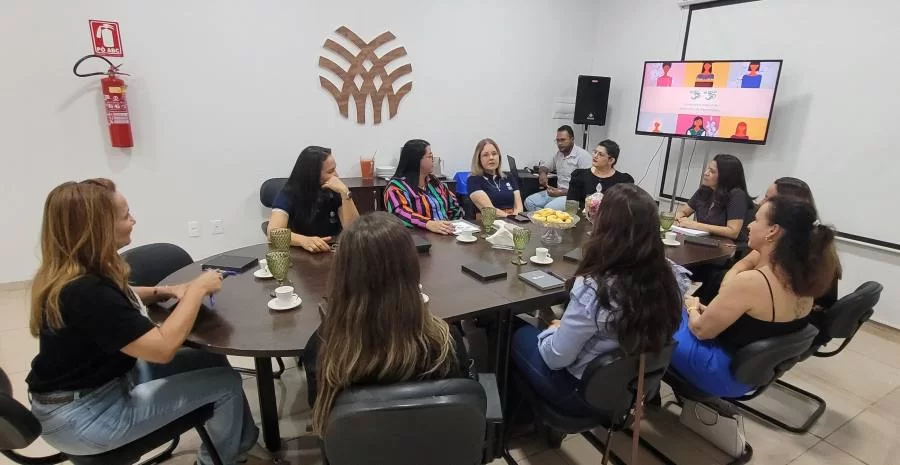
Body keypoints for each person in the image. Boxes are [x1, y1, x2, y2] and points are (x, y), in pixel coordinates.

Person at [25, 179, 258, 464]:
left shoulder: (70, 272)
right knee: (226, 383)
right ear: (97, 229)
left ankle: (240, 443)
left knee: (211, 360)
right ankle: (215, 459)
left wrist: (166, 291)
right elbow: (162, 349)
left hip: (81, 396)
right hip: (86, 418)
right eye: (125, 216)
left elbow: (120, 296)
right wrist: (196, 291)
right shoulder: (85, 292)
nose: (133, 220)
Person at [510, 184, 688, 414]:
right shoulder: (673, 276)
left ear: (605, 227)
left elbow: (556, 358)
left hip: (581, 393)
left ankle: (517, 417)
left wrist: (555, 330)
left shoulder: (596, 288)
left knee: (518, 332)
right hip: (632, 385)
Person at [305, 212, 473, 434]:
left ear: (342, 275)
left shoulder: (322, 347)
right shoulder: (446, 341)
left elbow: (319, 409)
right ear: (411, 269)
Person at [671, 196, 839, 397]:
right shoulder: (804, 279)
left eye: (757, 220)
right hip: (752, 375)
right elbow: (756, 326)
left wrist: (691, 306)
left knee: (652, 316)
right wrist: (706, 311)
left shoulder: (754, 281)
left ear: (772, 230)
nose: (749, 225)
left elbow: (700, 330)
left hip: (720, 371)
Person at [724, 177, 842, 311]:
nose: (761, 202)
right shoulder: (785, 239)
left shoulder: (799, 248)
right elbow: (743, 265)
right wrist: (728, 285)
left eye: (768, 199)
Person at [268, 146, 359, 253]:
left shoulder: (335, 189)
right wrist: (303, 240)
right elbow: (273, 234)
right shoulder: (289, 193)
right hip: (302, 255)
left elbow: (355, 232)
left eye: (335, 169)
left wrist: (345, 193)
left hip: (333, 251)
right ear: (312, 175)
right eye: (330, 171)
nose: (337, 175)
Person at [385, 139, 463, 235]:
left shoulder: (434, 182)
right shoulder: (396, 187)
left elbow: (453, 206)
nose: (433, 160)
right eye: (430, 156)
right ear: (417, 161)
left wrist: (458, 227)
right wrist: (428, 224)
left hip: (446, 235)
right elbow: (400, 214)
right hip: (418, 239)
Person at [675, 154, 754, 242]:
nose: (706, 173)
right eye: (708, 169)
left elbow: (733, 231)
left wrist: (695, 225)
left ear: (725, 176)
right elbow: (684, 211)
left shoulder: (737, 195)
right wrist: (678, 218)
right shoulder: (704, 190)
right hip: (702, 241)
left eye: (712, 171)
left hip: (725, 247)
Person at [524, 125, 592, 211]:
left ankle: (547, 218)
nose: (559, 143)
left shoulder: (583, 156)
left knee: (548, 209)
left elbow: (587, 187)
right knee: (529, 202)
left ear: (572, 139)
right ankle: (545, 220)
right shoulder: (559, 154)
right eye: (557, 140)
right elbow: (544, 167)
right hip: (557, 192)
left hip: (572, 196)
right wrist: (542, 174)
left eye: (563, 140)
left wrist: (561, 192)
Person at [566, 139, 635, 208]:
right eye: (595, 152)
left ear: (611, 160)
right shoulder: (579, 175)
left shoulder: (624, 181)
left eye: (600, 154)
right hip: (582, 217)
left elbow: (624, 208)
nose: (595, 156)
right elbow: (571, 205)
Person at [467, 138, 523, 215]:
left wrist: (517, 220)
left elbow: (519, 207)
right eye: (485, 155)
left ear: (499, 156)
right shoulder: (473, 180)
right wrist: (511, 220)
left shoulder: (508, 176)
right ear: (478, 159)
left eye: (494, 154)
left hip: (514, 220)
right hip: (489, 222)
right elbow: (489, 210)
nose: (491, 158)